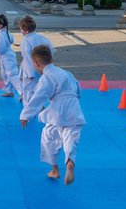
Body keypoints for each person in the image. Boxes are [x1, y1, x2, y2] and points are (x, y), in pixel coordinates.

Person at [20, 45, 86, 185]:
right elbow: (78, 89)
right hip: (74, 110)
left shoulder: (47, 77)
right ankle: (69, 164)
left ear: (36, 63)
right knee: (70, 139)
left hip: (57, 112)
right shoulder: (66, 73)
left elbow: (39, 96)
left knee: (48, 136)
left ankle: (55, 169)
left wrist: (25, 114)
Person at [18, 15, 53, 105]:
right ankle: (37, 104)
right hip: (41, 66)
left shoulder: (26, 42)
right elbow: (50, 49)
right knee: (37, 87)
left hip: (31, 68)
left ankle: (31, 107)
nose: (20, 31)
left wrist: (30, 73)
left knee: (28, 88)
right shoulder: (40, 37)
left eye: (21, 29)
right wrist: (46, 62)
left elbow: (27, 58)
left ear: (26, 30)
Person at [0, 14, 20, 98]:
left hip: (7, 58)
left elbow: (0, 50)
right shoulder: (4, 33)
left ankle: (22, 92)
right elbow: (11, 40)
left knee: (12, 75)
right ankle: (9, 90)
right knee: (5, 74)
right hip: (6, 58)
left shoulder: (1, 34)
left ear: (0, 25)